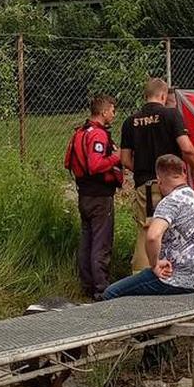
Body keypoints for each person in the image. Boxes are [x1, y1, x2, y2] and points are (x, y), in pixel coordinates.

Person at [103, 154, 194, 300]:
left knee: (110, 293)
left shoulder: (170, 202)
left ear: (159, 180)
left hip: (174, 279)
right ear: (183, 173)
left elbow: (153, 236)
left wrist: (155, 264)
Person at [119, 78, 194, 272]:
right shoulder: (171, 115)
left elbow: (124, 159)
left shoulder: (130, 121)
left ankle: (140, 276)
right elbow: (186, 148)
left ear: (145, 96)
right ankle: (177, 273)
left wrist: (142, 170)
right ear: (164, 96)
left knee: (146, 230)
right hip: (172, 186)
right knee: (176, 229)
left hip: (145, 187)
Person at [65, 94, 123, 299]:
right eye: (113, 111)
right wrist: (116, 157)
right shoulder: (98, 135)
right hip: (99, 196)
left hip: (84, 195)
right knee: (101, 242)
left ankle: (87, 285)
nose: (114, 115)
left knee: (87, 240)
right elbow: (95, 164)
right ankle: (101, 288)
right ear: (104, 111)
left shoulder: (81, 132)